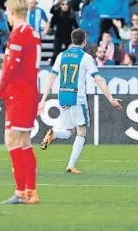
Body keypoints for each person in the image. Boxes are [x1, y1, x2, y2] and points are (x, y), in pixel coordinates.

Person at [38, 29, 123, 174]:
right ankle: (70, 165)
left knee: (69, 131)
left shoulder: (61, 56)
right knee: (81, 131)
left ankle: (54, 132)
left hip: (63, 96)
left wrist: (43, 99)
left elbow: (51, 77)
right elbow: (98, 79)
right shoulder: (86, 58)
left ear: (72, 40)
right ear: (84, 41)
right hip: (77, 98)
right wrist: (110, 98)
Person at [0, 0, 41, 205]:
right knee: (24, 141)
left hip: (19, 93)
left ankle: (21, 191)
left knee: (12, 139)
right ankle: (30, 191)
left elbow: (11, 66)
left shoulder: (19, 34)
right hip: (28, 92)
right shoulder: (33, 33)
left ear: (11, 12)